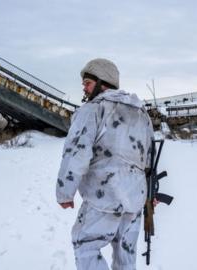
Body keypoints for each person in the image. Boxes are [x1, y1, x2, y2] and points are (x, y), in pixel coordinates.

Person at [56, 58, 154, 270]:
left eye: (88, 82)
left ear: (103, 82)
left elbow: (76, 153)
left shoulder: (92, 110)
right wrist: (150, 194)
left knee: (86, 245)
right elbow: (149, 156)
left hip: (104, 197)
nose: (84, 87)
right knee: (125, 255)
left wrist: (65, 192)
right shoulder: (141, 112)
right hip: (134, 199)